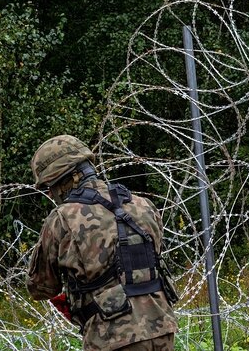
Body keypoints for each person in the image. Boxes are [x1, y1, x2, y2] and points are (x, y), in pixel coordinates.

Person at [27, 135, 178, 351]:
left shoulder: (62, 218)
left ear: (66, 179)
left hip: (111, 337)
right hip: (162, 328)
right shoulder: (143, 205)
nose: (50, 194)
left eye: (49, 187)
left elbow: (41, 287)